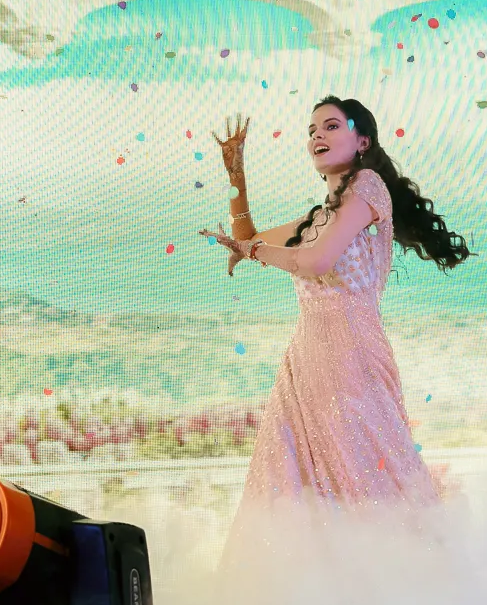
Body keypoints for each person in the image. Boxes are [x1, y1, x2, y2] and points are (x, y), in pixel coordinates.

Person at [199, 97, 472, 562]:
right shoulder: (317, 219)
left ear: (362, 141)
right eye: (312, 130)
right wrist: (236, 178)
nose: (317, 136)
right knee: (289, 481)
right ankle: (312, 592)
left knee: (365, 477)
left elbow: (315, 261)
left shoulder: (368, 186)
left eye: (330, 126)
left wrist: (252, 253)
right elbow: (249, 238)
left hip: (352, 355)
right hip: (305, 362)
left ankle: (405, 584)